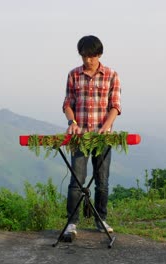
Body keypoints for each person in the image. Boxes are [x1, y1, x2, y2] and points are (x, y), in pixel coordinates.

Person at [62, 35, 122, 239]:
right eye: (84, 56)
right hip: (80, 137)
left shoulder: (111, 75)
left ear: (99, 54)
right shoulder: (73, 75)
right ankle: (71, 223)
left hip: (103, 137)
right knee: (76, 181)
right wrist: (72, 123)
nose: (87, 60)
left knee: (102, 181)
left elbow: (115, 106)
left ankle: (101, 219)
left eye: (91, 56)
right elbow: (67, 104)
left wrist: (106, 127)